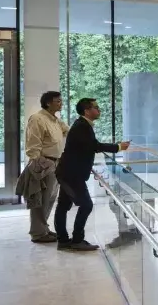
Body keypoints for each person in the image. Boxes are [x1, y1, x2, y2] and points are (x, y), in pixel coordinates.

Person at [54, 98, 129, 252]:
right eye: (96, 107)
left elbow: (87, 147)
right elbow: (94, 146)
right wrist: (119, 147)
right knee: (86, 205)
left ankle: (63, 240)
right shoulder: (82, 126)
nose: (99, 109)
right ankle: (76, 240)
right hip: (71, 174)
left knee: (63, 205)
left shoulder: (83, 125)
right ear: (87, 110)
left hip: (68, 172)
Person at [20, 91, 69, 244]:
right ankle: (37, 233)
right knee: (40, 199)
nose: (61, 103)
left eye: (61, 101)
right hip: (44, 164)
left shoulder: (55, 120)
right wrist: (40, 166)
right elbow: (32, 146)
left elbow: (69, 131)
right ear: (48, 103)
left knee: (50, 199)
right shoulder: (37, 119)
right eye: (58, 101)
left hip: (56, 164)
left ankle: (43, 229)